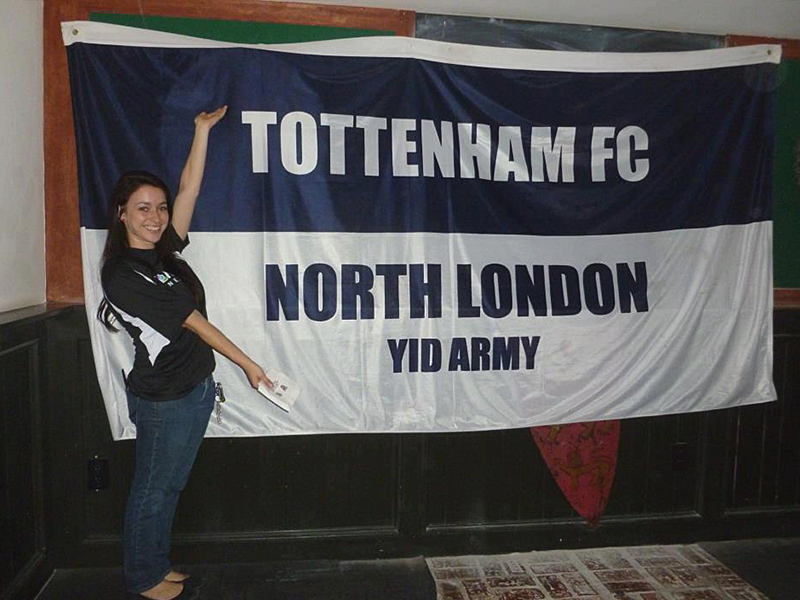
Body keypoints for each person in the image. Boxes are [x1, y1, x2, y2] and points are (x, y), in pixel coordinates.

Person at [97, 106, 272, 600]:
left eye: (159, 207)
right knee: (152, 490)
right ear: (121, 213)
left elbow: (189, 190)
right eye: (143, 208)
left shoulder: (160, 255)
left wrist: (201, 133)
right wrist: (249, 365)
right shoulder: (123, 273)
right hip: (165, 399)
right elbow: (193, 322)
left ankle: (155, 564)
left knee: (167, 488)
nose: (156, 217)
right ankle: (143, 578)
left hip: (191, 391)